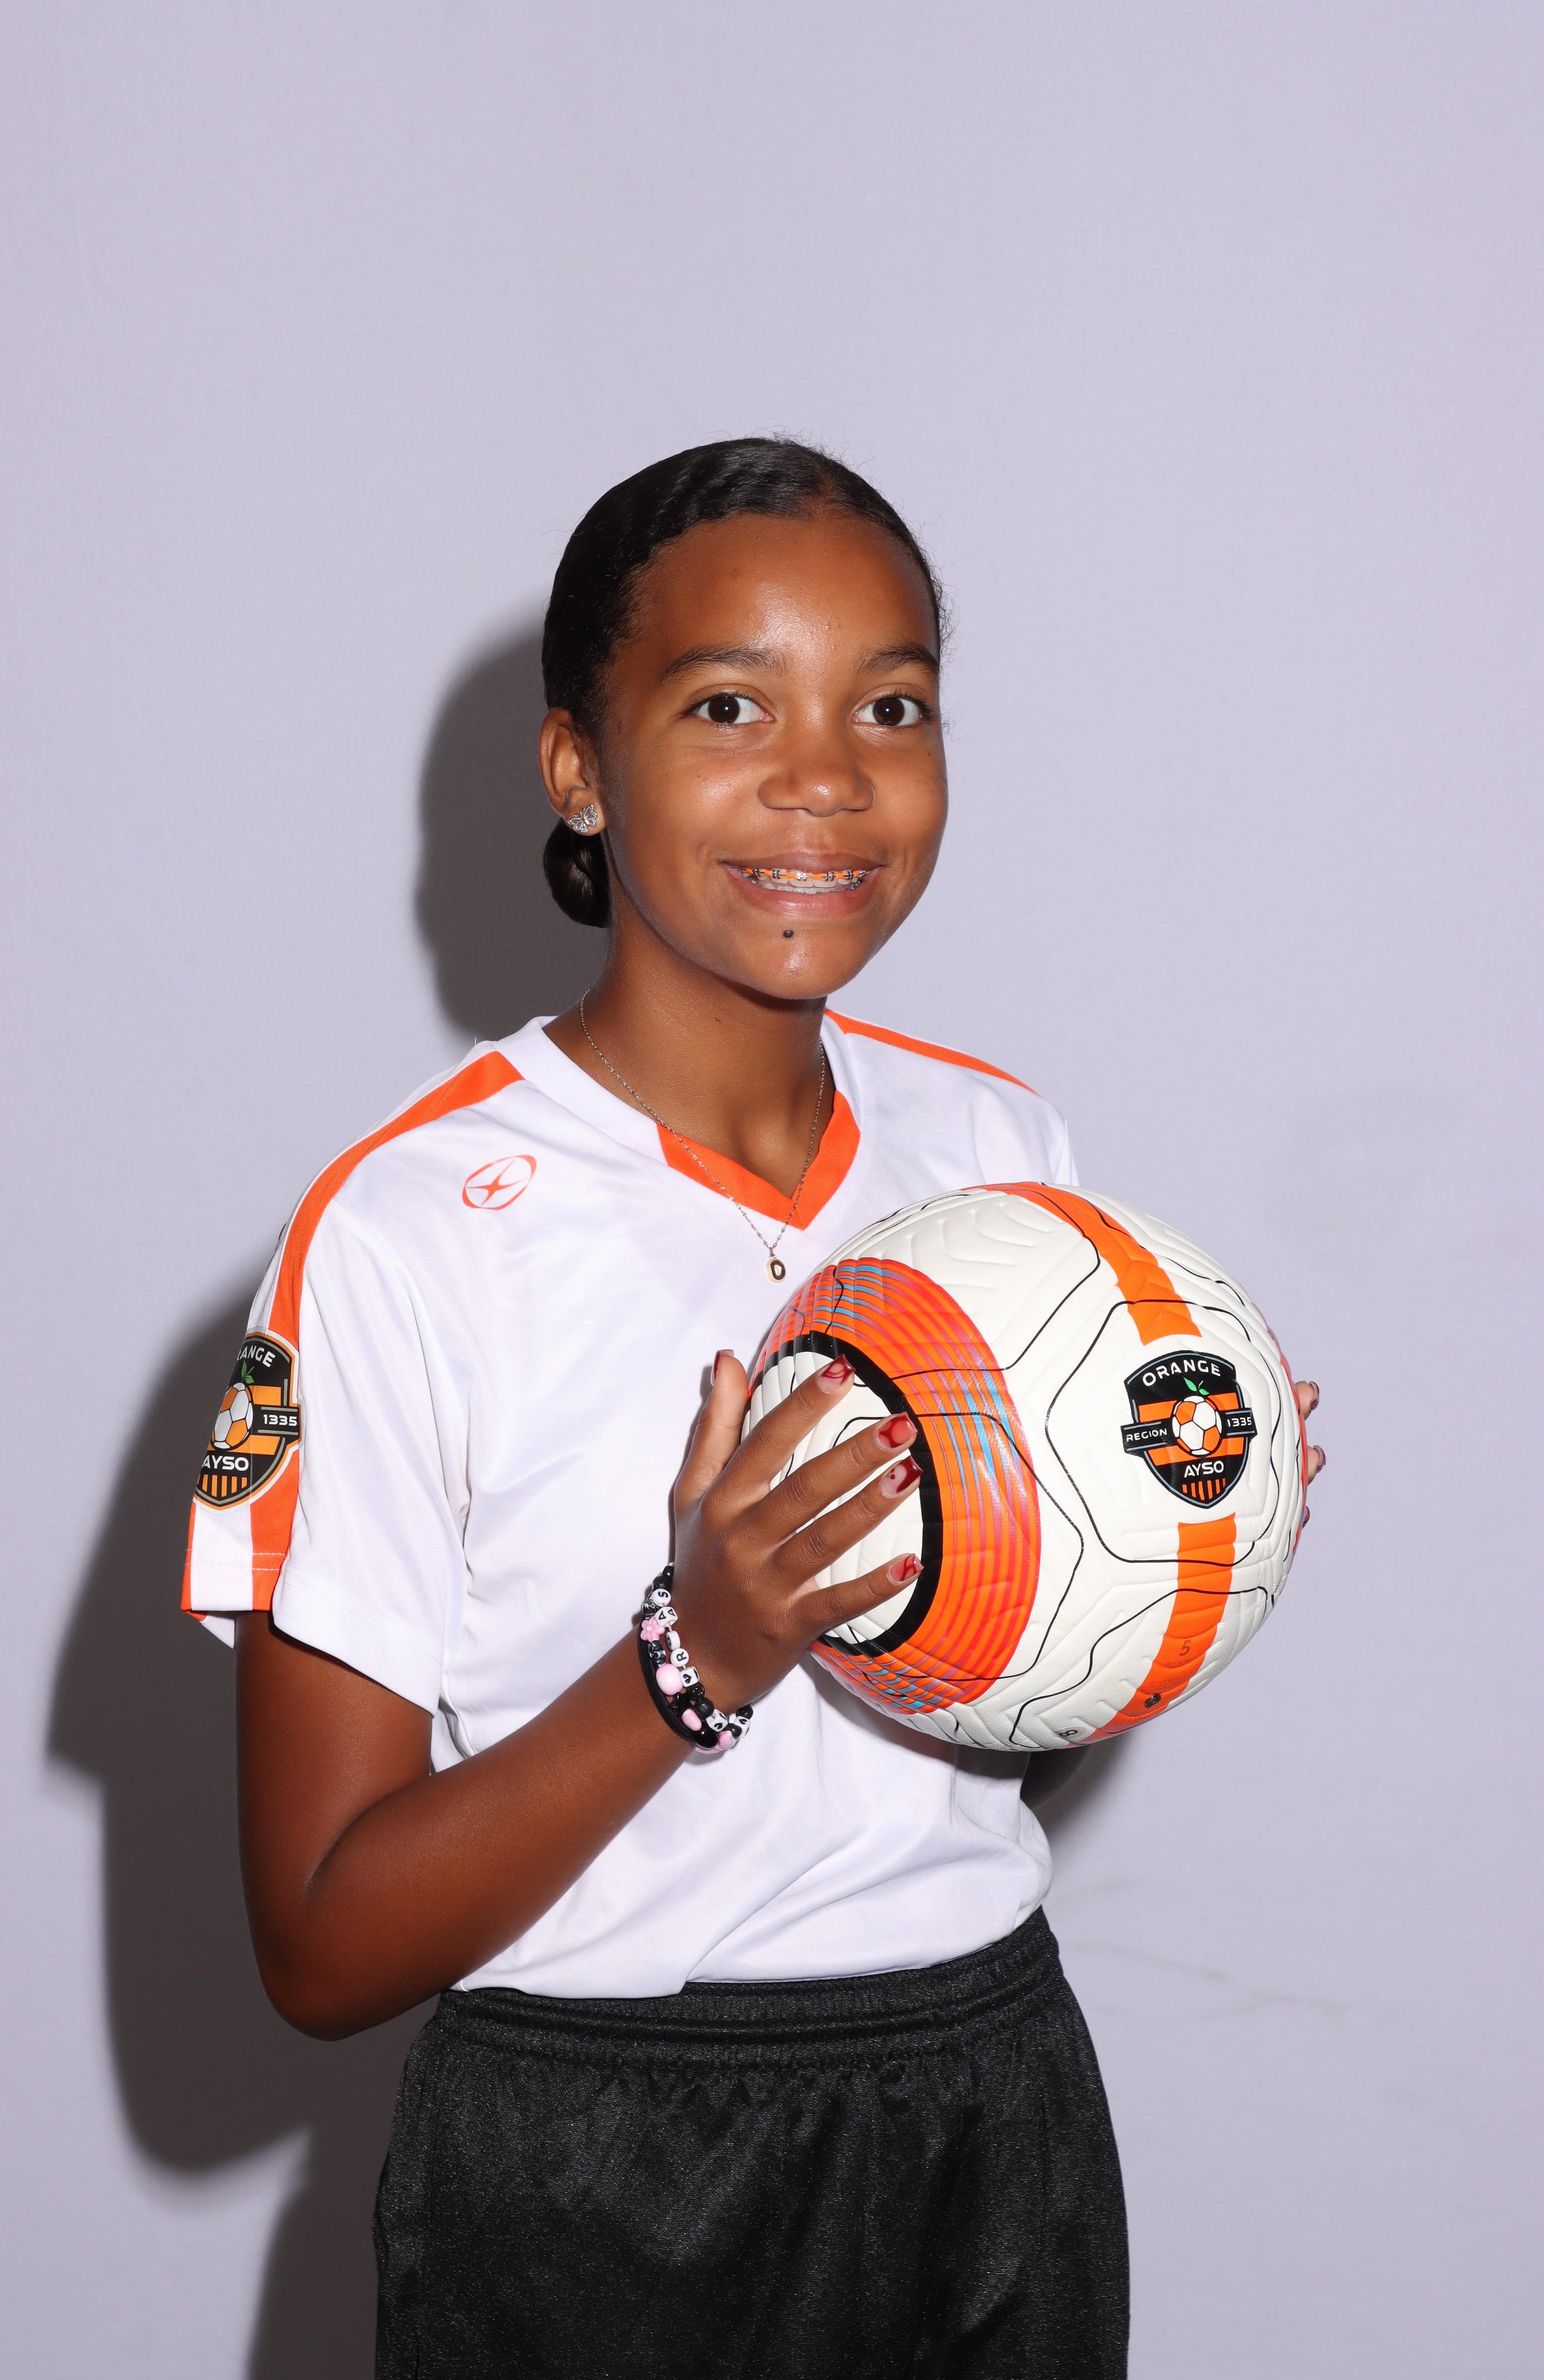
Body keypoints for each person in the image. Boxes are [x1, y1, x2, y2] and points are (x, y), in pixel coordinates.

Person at [183, 437, 1324, 2379]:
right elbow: (318, 1943)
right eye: (729, 705)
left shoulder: (999, 1157)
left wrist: (1163, 1541)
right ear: (576, 766)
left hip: (988, 2095)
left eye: (891, 705)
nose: (826, 779)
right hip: (597, 2162)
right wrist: (694, 1654)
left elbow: (961, 1742)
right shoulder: (400, 1235)